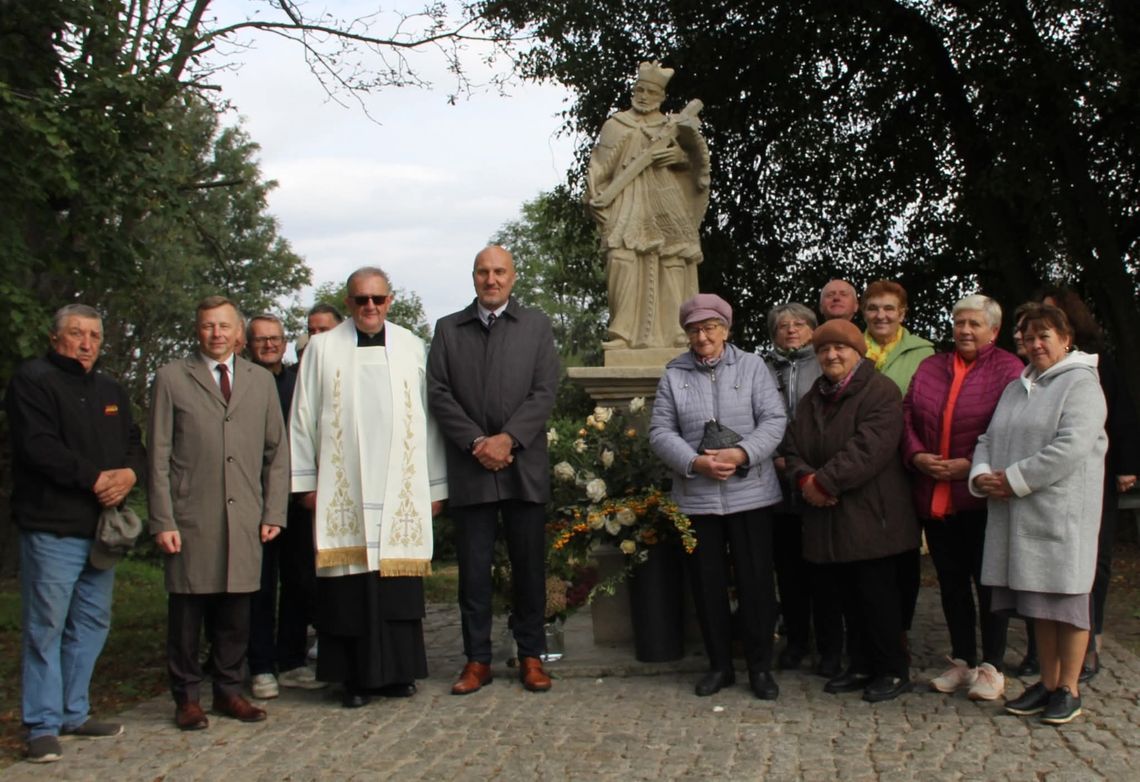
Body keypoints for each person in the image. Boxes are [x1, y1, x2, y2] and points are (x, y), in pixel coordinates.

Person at [290, 268, 447, 708]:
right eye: (361, 300)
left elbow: (428, 420)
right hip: (345, 486)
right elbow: (302, 416)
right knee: (349, 588)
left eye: (378, 298)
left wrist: (435, 486)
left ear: (390, 300)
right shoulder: (322, 349)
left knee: (395, 585)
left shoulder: (411, 347)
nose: (370, 307)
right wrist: (304, 481)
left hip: (400, 485)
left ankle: (399, 672)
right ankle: (353, 678)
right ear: (348, 302)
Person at [6, 304, 146, 762]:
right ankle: (41, 725)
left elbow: (133, 443)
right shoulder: (33, 380)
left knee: (91, 621)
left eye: (94, 336)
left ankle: (74, 711)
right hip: (53, 527)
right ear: (55, 338)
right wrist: (94, 479)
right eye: (76, 334)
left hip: (102, 531)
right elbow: (37, 446)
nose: (86, 344)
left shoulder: (110, 389)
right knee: (46, 627)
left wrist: (128, 474)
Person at [148, 295, 290, 730]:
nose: (216, 334)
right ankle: (187, 697)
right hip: (191, 516)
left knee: (236, 612)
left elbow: (276, 453)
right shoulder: (172, 378)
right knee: (188, 613)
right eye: (209, 326)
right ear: (198, 330)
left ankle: (229, 690)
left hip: (246, 515)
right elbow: (157, 453)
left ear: (238, 333)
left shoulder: (259, 381)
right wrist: (163, 519)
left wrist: (274, 511)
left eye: (224, 326)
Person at [428, 245, 560, 694]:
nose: (492, 279)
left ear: (513, 277)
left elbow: (544, 391)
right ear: (473, 277)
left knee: (528, 569)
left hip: (523, 466)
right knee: (473, 571)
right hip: (472, 468)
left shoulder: (536, 326)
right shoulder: (448, 330)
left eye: (499, 271)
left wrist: (509, 439)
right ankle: (476, 659)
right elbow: (439, 393)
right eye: (483, 272)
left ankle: (531, 655)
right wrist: (478, 442)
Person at [970, 303, 1107, 725]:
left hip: (1060, 514)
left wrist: (1013, 479)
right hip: (1019, 512)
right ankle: (1047, 682)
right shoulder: (1018, 385)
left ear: (1066, 339)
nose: (1035, 344)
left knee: (1067, 604)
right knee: (1038, 605)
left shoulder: (1081, 384)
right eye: (1028, 338)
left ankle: (1070, 687)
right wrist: (980, 475)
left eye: (1044, 336)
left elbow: (1070, 447)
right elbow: (988, 438)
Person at [650, 294, 787, 699]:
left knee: (756, 584)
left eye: (710, 327)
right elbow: (660, 431)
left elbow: (775, 419)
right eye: (694, 329)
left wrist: (742, 453)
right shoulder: (674, 374)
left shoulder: (752, 366)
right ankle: (719, 666)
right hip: (698, 497)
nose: (702, 335)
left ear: (725, 329)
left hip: (752, 494)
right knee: (707, 586)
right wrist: (694, 462)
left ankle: (760, 668)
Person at [781, 318, 921, 703]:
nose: (831, 355)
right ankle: (860, 665)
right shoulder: (813, 398)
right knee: (848, 600)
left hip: (873, 517)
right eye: (824, 349)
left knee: (878, 599)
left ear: (858, 352)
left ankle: (892, 670)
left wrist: (822, 483)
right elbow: (793, 449)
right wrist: (804, 480)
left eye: (840, 348)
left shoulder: (880, 392)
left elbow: (868, 449)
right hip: (829, 520)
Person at [901, 295, 1023, 701]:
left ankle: (993, 667)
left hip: (981, 497)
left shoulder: (1008, 369)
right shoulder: (931, 366)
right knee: (951, 584)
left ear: (993, 330)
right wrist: (918, 455)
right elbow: (907, 415)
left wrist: (970, 465)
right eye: (959, 322)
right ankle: (962, 661)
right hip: (935, 495)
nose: (965, 330)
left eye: (974, 324)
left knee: (988, 585)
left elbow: (1012, 429)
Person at [1038, 286, 1138, 682]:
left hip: (1096, 471)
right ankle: (1048, 650)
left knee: (1095, 558)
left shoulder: (1098, 364)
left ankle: (1091, 639)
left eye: (1051, 315)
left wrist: (1127, 465)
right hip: (1049, 476)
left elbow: (1121, 414)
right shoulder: (1035, 370)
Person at [586, 60, 710, 351]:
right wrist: (595, 196)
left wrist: (679, 157)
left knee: (673, 260)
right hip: (627, 201)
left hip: (666, 200)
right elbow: (599, 167)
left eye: (650, 92)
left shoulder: (674, 125)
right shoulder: (615, 125)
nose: (643, 96)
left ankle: (677, 333)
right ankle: (622, 333)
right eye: (639, 89)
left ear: (662, 97)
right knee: (621, 259)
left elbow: (699, 164)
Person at [244, 314, 324, 699]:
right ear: (248, 344)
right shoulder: (242, 381)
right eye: (260, 339)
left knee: (299, 582)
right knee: (259, 586)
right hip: (255, 498)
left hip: (295, 498)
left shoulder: (297, 380)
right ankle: (260, 666)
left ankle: (291, 660)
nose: (269, 345)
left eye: (275, 338)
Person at [761, 303, 843, 678]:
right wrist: (776, 457)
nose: (791, 330)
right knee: (788, 569)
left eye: (799, 324)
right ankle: (795, 641)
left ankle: (829, 647)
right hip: (776, 482)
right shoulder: (761, 368)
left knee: (824, 571)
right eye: (782, 325)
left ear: (814, 329)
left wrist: (808, 469)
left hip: (816, 477)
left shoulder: (825, 363)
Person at [860, 279, 932, 649]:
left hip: (905, 466)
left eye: (889, 308)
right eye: (873, 308)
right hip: (860, 468)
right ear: (863, 312)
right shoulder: (850, 349)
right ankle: (864, 631)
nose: (881, 315)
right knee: (865, 552)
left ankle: (899, 629)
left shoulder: (925, 354)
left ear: (903, 313)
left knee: (903, 552)